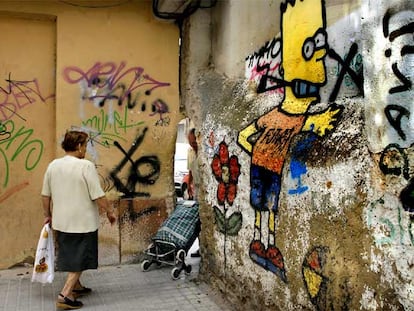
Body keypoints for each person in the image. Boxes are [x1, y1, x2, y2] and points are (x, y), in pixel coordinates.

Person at [41, 130, 116, 310]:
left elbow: (45, 195)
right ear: (79, 146)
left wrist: (47, 215)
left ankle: (77, 286)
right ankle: (65, 294)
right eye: (85, 146)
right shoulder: (86, 166)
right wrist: (110, 211)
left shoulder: (53, 165)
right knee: (81, 256)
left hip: (61, 221)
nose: (86, 150)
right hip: (83, 221)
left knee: (70, 253)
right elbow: (97, 194)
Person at [186, 128, 201, 257]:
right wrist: (189, 184)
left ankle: (204, 247)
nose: (192, 144)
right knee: (197, 219)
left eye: (194, 142)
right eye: (190, 142)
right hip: (196, 187)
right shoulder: (190, 152)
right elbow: (190, 170)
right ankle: (201, 247)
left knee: (203, 219)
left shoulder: (204, 151)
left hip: (204, 188)